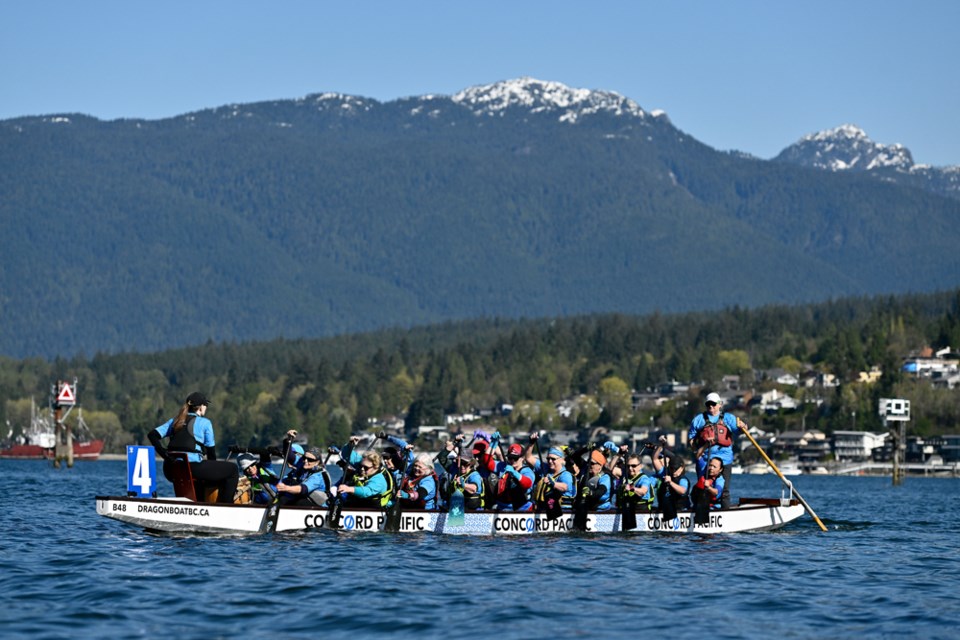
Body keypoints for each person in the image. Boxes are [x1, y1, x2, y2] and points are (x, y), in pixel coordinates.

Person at [148, 391, 238, 504]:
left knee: (202, 476)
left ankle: (198, 502)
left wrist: (164, 454)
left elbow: (152, 435)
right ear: (200, 407)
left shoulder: (175, 421)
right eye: (206, 405)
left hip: (171, 470)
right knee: (233, 470)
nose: (207, 408)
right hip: (192, 468)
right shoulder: (205, 423)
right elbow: (211, 454)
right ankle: (227, 507)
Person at [688, 392, 744, 508]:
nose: (711, 407)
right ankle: (702, 511)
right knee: (703, 487)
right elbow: (691, 439)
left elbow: (740, 430)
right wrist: (696, 452)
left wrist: (744, 427)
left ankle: (724, 513)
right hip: (705, 459)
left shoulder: (729, 418)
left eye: (713, 405)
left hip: (725, 459)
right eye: (708, 405)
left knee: (724, 490)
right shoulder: (698, 420)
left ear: (720, 405)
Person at [528, 437, 576, 513]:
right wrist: (531, 443)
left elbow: (565, 487)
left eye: (553, 459)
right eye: (548, 458)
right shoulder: (545, 468)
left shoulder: (565, 475)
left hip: (561, 513)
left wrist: (553, 483)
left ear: (561, 460)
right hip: (544, 511)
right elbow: (528, 458)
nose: (550, 461)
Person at [652, 438, 691, 519]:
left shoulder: (683, 480)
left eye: (675, 469)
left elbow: (682, 491)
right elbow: (655, 459)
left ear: (682, 467)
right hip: (665, 509)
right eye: (671, 468)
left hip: (680, 510)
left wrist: (670, 482)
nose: (673, 471)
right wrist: (660, 445)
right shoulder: (666, 472)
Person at [491, 443, 535, 512]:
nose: (512, 461)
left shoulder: (527, 471)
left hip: (522, 509)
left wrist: (514, 473)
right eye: (510, 458)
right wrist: (492, 444)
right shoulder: (504, 466)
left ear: (522, 458)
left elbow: (528, 483)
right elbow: (487, 463)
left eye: (515, 458)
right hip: (503, 508)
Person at [691, 456, 725, 524]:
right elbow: (698, 456)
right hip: (699, 504)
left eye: (714, 467)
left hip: (712, 506)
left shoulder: (720, 480)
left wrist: (708, 487)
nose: (711, 468)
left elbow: (716, 492)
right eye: (710, 465)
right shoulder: (704, 471)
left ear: (720, 469)